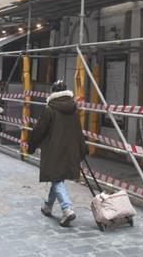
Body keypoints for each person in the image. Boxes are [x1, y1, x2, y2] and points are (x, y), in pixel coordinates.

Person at [27, 80, 87, 227]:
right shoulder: (74, 109)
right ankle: (48, 206)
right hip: (70, 149)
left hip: (54, 149)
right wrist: (82, 149)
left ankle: (67, 209)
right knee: (57, 176)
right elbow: (78, 130)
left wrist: (31, 145)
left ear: (53, 93)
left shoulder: (50, 109)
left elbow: (39, 130)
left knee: (56, 177)